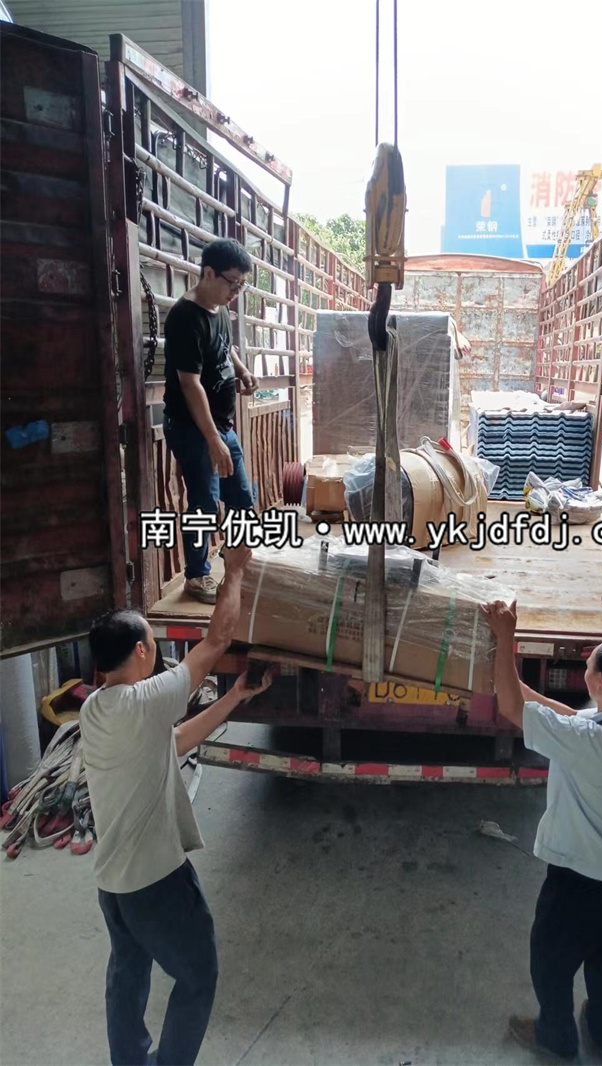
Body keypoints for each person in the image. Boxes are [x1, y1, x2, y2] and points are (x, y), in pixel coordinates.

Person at [81, 544, 270, 1066]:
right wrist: (234, 572)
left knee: (127, 975)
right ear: (141, 651)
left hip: (113, 885)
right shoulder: (145, 701)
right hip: (155, 884)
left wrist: (234, 698)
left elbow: (177, 740)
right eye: (151, 640)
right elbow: (217, 640)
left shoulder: (98, 709)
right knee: (199, 974)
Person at [482, 599, 602, 1065]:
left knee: (550, 959)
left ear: (601, 682)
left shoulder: (588, 743)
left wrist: (505, 637)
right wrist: (513, 680)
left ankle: (556, 1038)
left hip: (582, 875)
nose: (586, 664)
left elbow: (511, 709)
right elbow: (567, 716)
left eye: (590, 663)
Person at [163, 238, 259, 604]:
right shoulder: (184, 318)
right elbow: (189, 383)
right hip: (194, 430)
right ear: (208, 273)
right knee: (204, 504)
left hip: (222, 427)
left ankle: (237, 564)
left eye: (241, 285)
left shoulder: (219, 309)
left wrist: (242, 370)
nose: (235, 292)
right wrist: (213, 440)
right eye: (232, 282)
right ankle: (197, 575)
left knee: (242, 500)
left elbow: (224, 348)